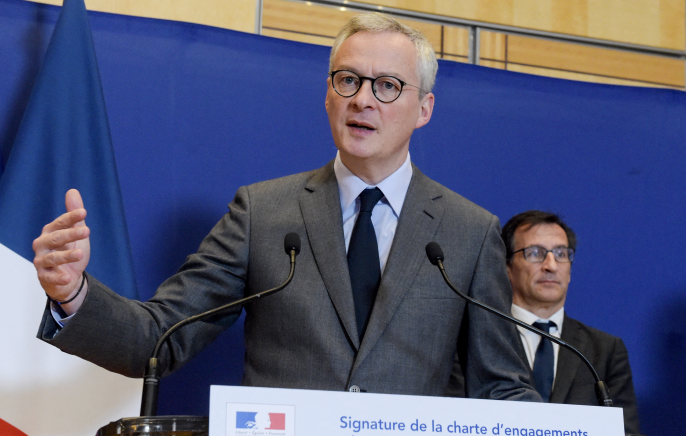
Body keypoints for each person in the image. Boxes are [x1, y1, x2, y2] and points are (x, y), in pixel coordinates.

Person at [32, 13, 540, 401]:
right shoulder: (262, 213)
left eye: (387, 86)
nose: (363, 99)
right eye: (349, 80)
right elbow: (158, 339)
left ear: (423, 109)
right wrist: (73, 293)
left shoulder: (469, 232)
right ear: (328, 95)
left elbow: (503, 387)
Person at [502, 210, 641, 433]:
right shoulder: (478, 341)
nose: (551, 265)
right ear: (507, 266)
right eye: (535, 253)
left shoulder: (605, 351)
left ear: (569, 269)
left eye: (560, 253)